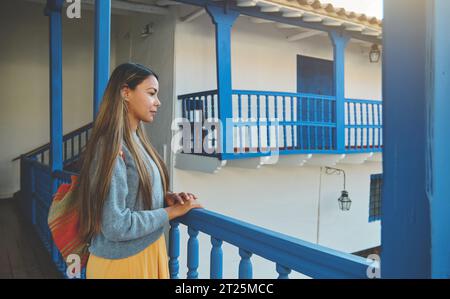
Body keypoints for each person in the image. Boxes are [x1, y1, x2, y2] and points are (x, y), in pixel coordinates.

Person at [74, 62, 203, 279]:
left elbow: (132, 196)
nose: (158, 102)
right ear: (126, 92)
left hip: (145, 253)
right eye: (151, 93)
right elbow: (115, 225)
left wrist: (166, 198)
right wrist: (172, 213)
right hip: (122, 265)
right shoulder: (111, 146)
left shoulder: (137, 141)